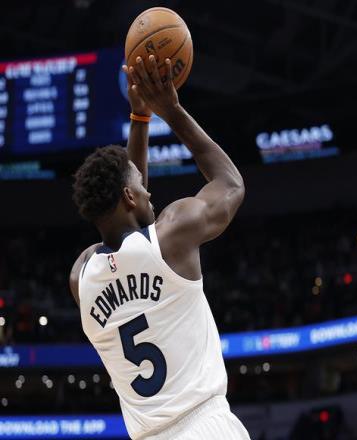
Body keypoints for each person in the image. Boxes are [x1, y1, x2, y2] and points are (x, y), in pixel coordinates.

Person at [69, 55, 249, 440]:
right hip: (205, 426)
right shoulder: (172, 235)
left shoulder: (81, 276)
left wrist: (140, 119)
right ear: (129, 196)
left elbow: (130, 230)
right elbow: (231, 184)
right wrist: (171, 110)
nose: (149, 191)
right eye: (141, 185)